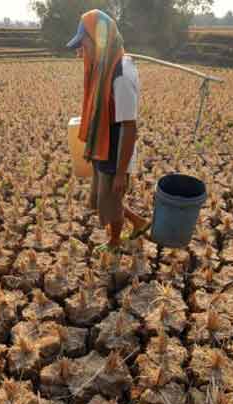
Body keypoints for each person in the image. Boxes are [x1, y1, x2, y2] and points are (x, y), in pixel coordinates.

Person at [67, 9, 150, 254]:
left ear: (99, 40)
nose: (79, 52)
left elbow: (129, 126)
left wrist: (121, 173)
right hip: (104, 145)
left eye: (83, 45)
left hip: (115, 151)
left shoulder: (120, 75)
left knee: (111, 199)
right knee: (103, 199)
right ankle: (138, 221)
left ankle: (115, 242)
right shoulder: (104, 67)